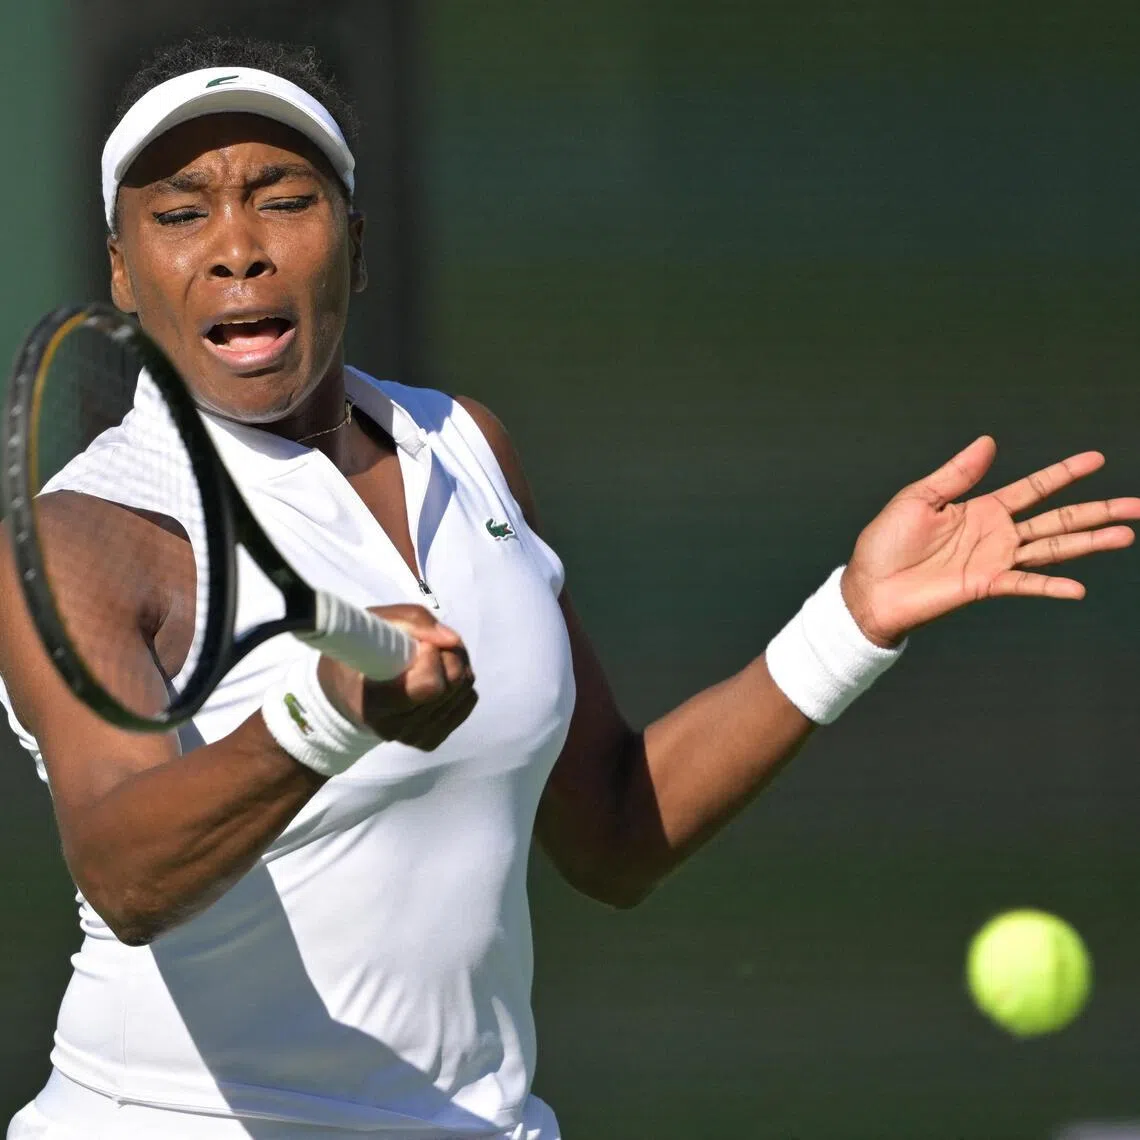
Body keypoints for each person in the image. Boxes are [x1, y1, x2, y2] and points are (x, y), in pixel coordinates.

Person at [1, 34, 1137, 1140]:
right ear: (123, 267)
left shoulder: (465, 446)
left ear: (354, 240)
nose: (235, 246)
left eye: (282, 199)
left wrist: (849, 618)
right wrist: (323, 718)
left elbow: (612, 828)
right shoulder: (88, 535)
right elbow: (127, 871)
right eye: (182, 211)